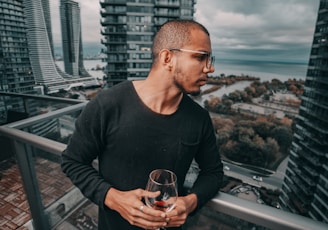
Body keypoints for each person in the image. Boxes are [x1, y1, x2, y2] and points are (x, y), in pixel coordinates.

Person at [61, 19, 223, 230]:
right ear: (167, 58)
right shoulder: (107, 105)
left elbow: (213, 172)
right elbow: (72, 162)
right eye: (200, 57)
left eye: (210, 59)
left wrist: (190, 202)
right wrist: (113, 198)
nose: (209, 68)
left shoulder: (199, 118)